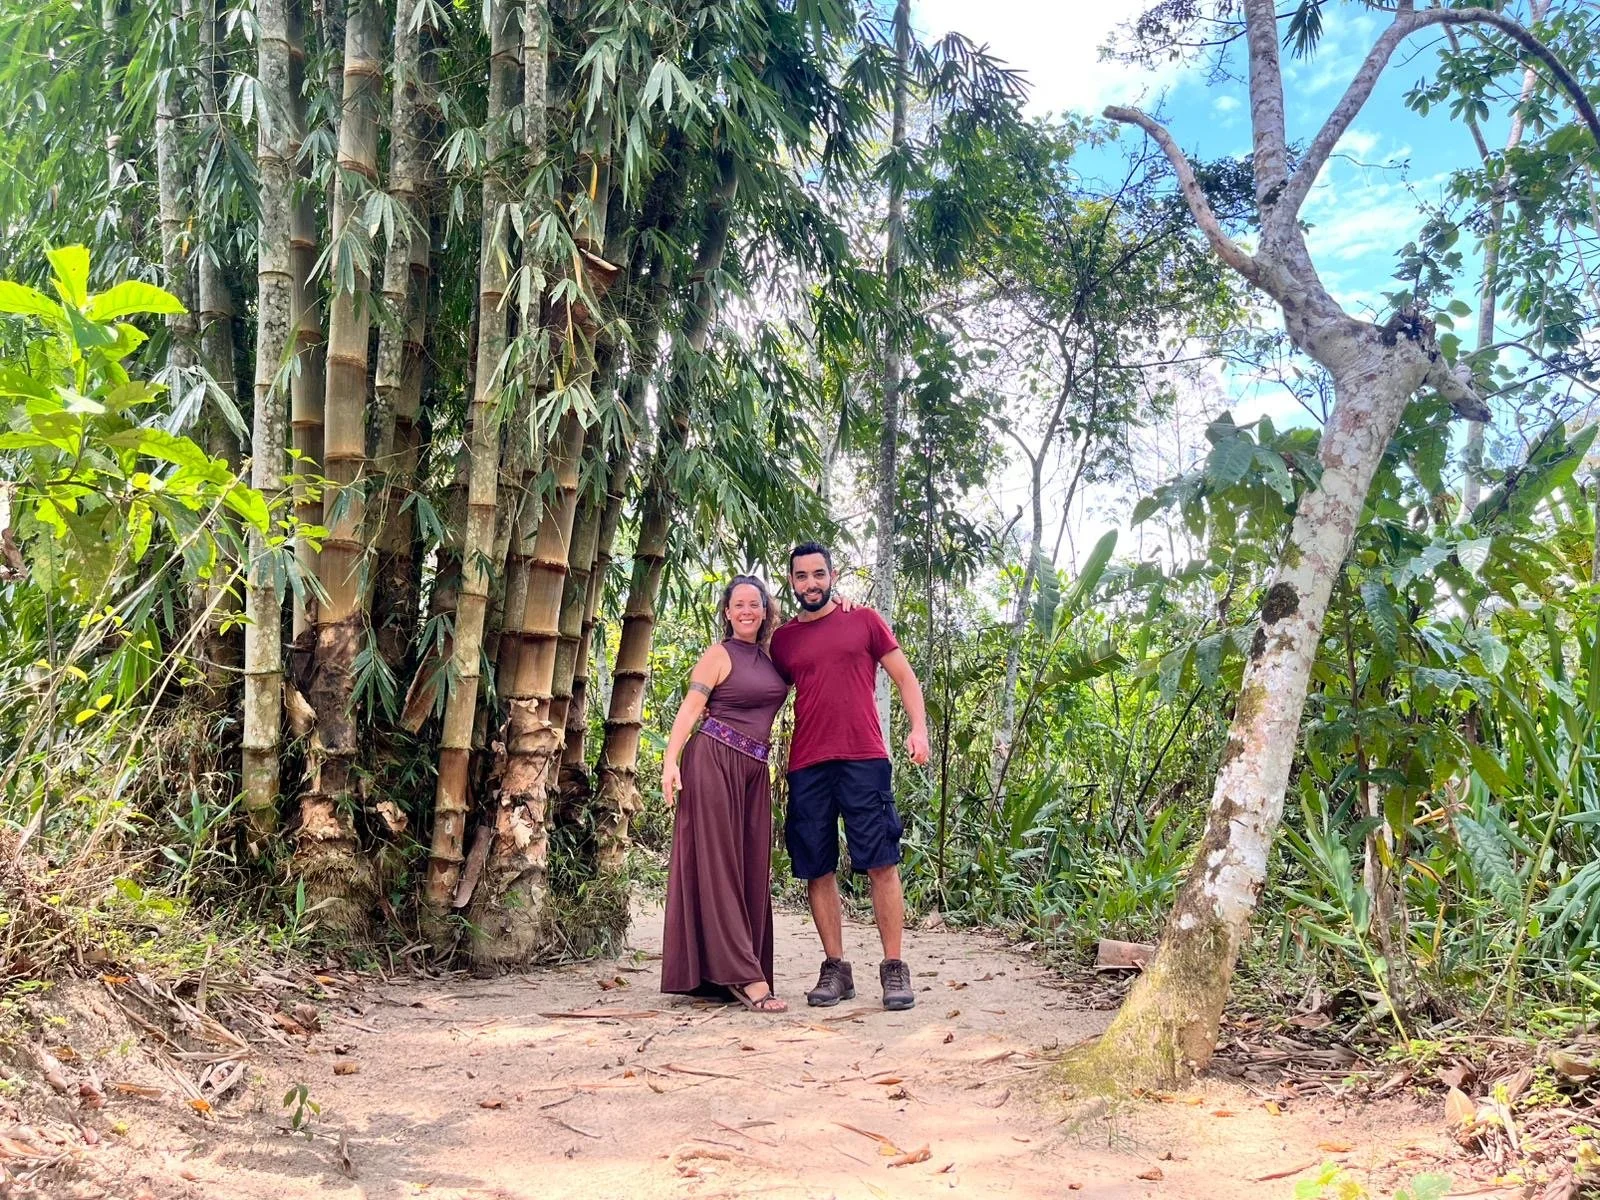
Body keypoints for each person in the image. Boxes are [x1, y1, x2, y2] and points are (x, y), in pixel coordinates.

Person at [658, 576, 852, 1011]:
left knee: (749, 868)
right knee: (719, 865)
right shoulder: (718, 654)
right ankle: (747, 976)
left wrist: (841, 602)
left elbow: (817, 632)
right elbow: (690, 709)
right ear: (727, 613)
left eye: (754, 604)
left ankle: (718, 974)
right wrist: (670, 762)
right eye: (738, 604)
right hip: (712, 761)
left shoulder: (771, 657)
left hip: (753, 770)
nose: (746, 611)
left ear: (766, 611)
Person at [769, 542, 930, 1011]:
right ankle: (835, 968)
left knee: (882, 861)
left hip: (865, 759)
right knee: (816, 867)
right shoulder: (783, 641)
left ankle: (894, 968)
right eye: (801, 577)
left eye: (819, 574)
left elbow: (905, 676)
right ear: (792, 582)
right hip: (807, 765)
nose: (811, 584)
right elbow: (764, 693)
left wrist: (918, 729)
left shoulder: (864, 620)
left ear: (832, 575)